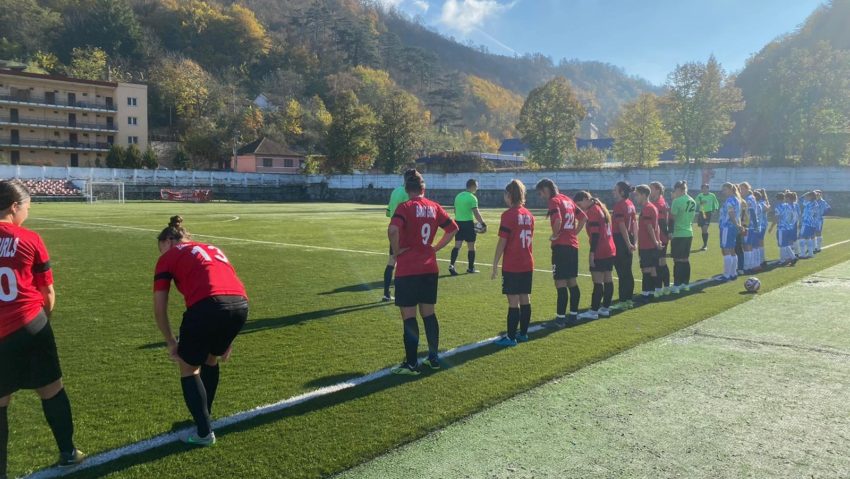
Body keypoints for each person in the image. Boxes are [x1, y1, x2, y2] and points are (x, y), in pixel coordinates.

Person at [0, 180, 84, 477]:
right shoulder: (29, 238)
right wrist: (43, 322)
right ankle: (68, 452)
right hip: (29, 325)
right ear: (14, 206)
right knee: (51, 391)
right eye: (27, 207)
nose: (27, 213)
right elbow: (47, 293)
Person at [154, 216, 249, 446]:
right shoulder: (212, 248)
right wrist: (227, 336)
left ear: (168, 240)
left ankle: (204, 433)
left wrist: (170, 342)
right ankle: (205, 414)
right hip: (240, 306)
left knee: (188, 368)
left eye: (160, 248)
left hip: (208, 306)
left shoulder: (169, 256)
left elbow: (159, 307)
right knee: (210, 359)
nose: (160, 253)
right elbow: (228, 286)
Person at [388, 172, 458, 375]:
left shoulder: (405, 207)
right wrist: (435, 248)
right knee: (429, 314)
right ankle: (434, 358)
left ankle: (411, 364)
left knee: (409, 316)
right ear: (423, 189)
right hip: (429, 267)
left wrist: (397, 250)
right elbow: (453, 229)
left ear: (406, 189)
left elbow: (393, 230)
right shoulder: (434, 206)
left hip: (408, 269)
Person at [536, 179, 587, 327]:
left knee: (560, 282)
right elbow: (583, 217)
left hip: (561, 247)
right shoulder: (568, 200)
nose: (541, 197)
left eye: (541, 193)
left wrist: (555, 235)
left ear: (546, 189)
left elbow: (557, 221)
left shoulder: (554, 201)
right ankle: (573, 315)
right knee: (572, 281)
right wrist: (574, 233)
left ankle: (559, 320)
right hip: (572, 246)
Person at [491, 180, 535, 346]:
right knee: (525, 298)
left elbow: (502, 242)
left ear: (509, 195)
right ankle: (523, 334)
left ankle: (510, 337)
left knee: (513, 301)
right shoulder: (529, 215)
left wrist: (495, 264)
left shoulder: (508, 215)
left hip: (513, 263)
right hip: (527, 262)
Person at [574, 192, 616, 320]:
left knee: (598, 281)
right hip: (610, 248)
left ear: (586, 199)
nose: (580, 208)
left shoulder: (592, 211)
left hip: (600, 249)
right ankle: (605, 308)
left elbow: (596, 235)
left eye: (580, 204)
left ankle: (593, 311)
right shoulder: (600, 208)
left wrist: (592, 253)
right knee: (608, 279)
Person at [382, 169, 418, 302]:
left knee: (392, 260)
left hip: (393, 229)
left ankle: (386, 293)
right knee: (407, 263)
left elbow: (388, 212)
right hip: (405, 231)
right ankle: (404, 292)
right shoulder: (409, 193)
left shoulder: (395, 191)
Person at [449, 179, 486, 275]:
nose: (477, 188)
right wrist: (483, 223)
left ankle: (451, 265)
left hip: (458, 223)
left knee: (457, 245)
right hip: (468, 224)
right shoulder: (472, 198)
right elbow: (476, 213)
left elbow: (455, 211)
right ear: (473, 186)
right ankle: (470, 268)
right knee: (471, 247)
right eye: (476, 186)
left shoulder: (458, 196)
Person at [611, 181, 638, 310]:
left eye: (615, 190)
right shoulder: (631, 204)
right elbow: (634, 224)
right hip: (629, 238)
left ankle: (623, 300)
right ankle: (628, 299)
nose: (613, 191)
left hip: (620, 240)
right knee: (627, 271)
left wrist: (627, 243)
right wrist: (634, 242)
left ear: (622, 192)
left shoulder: (619, 205)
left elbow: (621, 226)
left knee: (622, 272)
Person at [633, 185, 662, 304]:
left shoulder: (647, 208)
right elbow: (657, 226)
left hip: (647, 245)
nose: (635, 197)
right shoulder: (652, 207)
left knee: (646, 269)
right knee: (652, 269)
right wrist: (658, 240)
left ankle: (646, 294)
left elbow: (650, 227)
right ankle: (653, 292)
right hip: (652, 244)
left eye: (637, 195)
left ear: (644, 195)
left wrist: (655, 241)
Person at [669, 180, 697, 293]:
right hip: (689, 232)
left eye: (675, 190)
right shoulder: (693, 200)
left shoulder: (677, 201)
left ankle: (676, 285)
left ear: (679, 189)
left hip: (679, 233)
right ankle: (685, 284)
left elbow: (672, 218)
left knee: (677, 260)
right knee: (685, 259)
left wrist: (670, 231)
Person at [718, 183, 744, 281]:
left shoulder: (729, 200)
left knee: (726, 250)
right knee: (732, 250)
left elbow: (731, 213)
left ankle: (726, 275)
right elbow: (737, 215)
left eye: (724, 189)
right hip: (732, 228)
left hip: (727, 227)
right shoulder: (737, 199)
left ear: (730, 189)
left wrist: (737, 225)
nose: (723, 191)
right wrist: (738, 225)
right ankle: (733, 273)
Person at [649, 182, 671, 295]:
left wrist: (663, 237)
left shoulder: (659, 203)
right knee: (661, 262)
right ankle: (665, 286)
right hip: (662, 237)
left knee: (659, 262)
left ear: (657, 190)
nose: (649, 191)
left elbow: (662, 222)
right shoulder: (662, 201)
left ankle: (659, 287)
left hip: (660, 237)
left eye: (651, 188)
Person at [768, 192, 797, 266]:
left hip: (782, 228)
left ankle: (785, 259)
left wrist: (771, 227)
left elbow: (777, 218)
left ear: (777, 199)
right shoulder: (788, 205)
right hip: (789, 227)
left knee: (782, 244)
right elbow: (793, 216)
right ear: (783, 198)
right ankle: (790, 257)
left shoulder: (778, 206)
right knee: (786, 243)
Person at [739, 182, 761, 273]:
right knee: (750, 245)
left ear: (748, 189)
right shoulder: (751, 198)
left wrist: (755, 225)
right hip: (751, 225)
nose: (740, 191)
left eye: (742, 189)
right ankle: (754, 264)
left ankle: (747, 267)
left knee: (747, 245)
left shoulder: (749, 199)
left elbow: (752, 212)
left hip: (748, 225)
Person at [695, 184, 720, 251]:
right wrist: (700, 202)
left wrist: (716, 209)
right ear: (701, 189)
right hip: (702, 212)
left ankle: (705, 245)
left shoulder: (712, 195)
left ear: (708, 189)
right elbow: (696, 202)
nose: (704, 190)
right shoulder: (700, 195)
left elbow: (716, 203)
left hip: (708, 213)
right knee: (703, 230)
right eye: (703, 188)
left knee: (705, 228)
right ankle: (704, 244)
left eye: (706, 188)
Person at [799, 191, 818, 259]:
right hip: (812, 223)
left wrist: (806, 193)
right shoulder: (815, 203)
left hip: (806, 222)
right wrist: (810, 194)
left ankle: (803, 254)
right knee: (808, 238)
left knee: (801, 237)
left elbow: (800, 198)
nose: (807, 197)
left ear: (811, 196)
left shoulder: (809, 203)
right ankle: (810, 253)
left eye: (809, 196)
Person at [755, 189, 770, 268]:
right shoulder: (764, 202)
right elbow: (767, 208)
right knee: (760, 242)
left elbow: (766, 209)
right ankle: (762, 259)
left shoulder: (760, 203)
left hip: (760, 224)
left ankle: (760, 260)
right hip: (763, 224)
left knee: (758, 242)